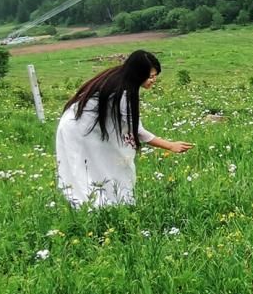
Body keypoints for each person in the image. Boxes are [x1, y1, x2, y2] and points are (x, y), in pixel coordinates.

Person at [55, 50, 191, 208]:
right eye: (151, 76)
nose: (153, 80)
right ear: (138, 73)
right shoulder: (124, 91)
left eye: (155, 76)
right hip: (79, 129)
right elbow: (138, 131)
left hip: (79, 123)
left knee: (105, 161)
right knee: (96, 163)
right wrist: (170, 145)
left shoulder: (120, 77)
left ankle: (105, 203)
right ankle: (97, 205)